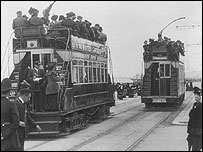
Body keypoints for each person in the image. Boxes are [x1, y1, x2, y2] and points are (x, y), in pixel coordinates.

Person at [1, 78, 21, 151]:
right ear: (9, 91)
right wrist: (5, 135)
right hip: (10, 141)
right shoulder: (11, 104)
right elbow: (16, 122)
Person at [187, 87, 202, 151]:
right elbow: (190, 114)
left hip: (197, 130)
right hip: (193, 130)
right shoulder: (195, 104)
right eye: (195, 97)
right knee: (193, 145)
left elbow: (192, 115)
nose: (195, 99)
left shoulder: (200, 106)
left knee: (196, 146)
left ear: (200, 97)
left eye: (197, 98)